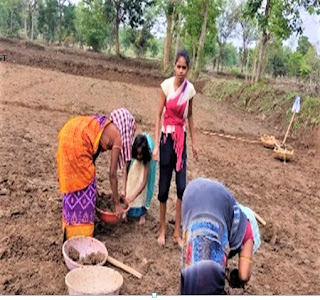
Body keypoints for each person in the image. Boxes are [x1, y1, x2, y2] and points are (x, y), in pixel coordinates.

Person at [57, 108, 136, 240]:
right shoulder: (117, 137)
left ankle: (69, 227)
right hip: (75, 143)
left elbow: (93, 150)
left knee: (74, 183)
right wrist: (117, 204)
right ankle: (81, 234)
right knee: (88, 188)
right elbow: (112, 174)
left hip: (67, 133)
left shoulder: (104, 124)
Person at [180, 178, 261, 295]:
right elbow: (244, 275)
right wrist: (234, 278)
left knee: (193, 257)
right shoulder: (249, 230)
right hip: (209, 209)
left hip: (191, 195)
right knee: (212, 275)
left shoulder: (232, 211)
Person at [153, 49, 198, 247]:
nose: (181, 71)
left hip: (181, 142)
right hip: (166, 141)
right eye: (178, 67)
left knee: (181, 188)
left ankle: (176, 232)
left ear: (188, 69)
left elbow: (190, 117)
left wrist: (194, 143)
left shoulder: (190, 90)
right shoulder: (166, 86)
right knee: (163, 189)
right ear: (174, 67)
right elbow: (158, 115)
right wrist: (156, 145)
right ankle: (162, 229)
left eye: (184, 68)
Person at [125, 133, 156, 225]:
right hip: (134, 165)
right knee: (132, 180)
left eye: (140, 155)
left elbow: (144, 182)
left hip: (147, 161)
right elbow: (125, 172)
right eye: (137, 154)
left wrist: (133, 197)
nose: (138, 157)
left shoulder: (147, 156)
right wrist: (124, 190)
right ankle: (127, 210)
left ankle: (142, 213)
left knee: (144, 186)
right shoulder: (131, 151)